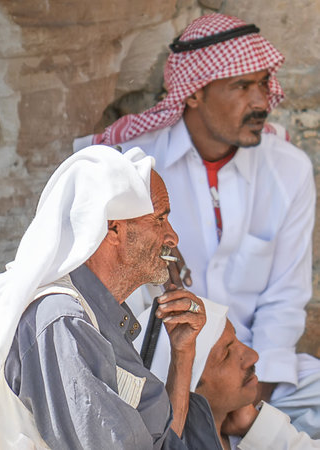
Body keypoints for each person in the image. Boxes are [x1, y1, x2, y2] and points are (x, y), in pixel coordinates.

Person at [74, 13, 319, 436]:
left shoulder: (289, 170)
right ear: (193, 94)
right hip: (162, 365)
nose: (261, 101)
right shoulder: (135, 168)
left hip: (254, 368)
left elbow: (285, 297)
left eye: (263, 83)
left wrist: (251, 395)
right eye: (241, 87)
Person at [0, 145, 221, 449]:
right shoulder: (63, 320)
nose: (172, 237)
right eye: (160, 219)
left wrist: (183, 354)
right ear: (114, 228)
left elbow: (160, 440)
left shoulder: (97, 317)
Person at [134, 299, 320, 449]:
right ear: (187, 388)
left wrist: (257, 428)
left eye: (237, 339)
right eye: (226, 355)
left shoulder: (250, 434)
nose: (252, 356)